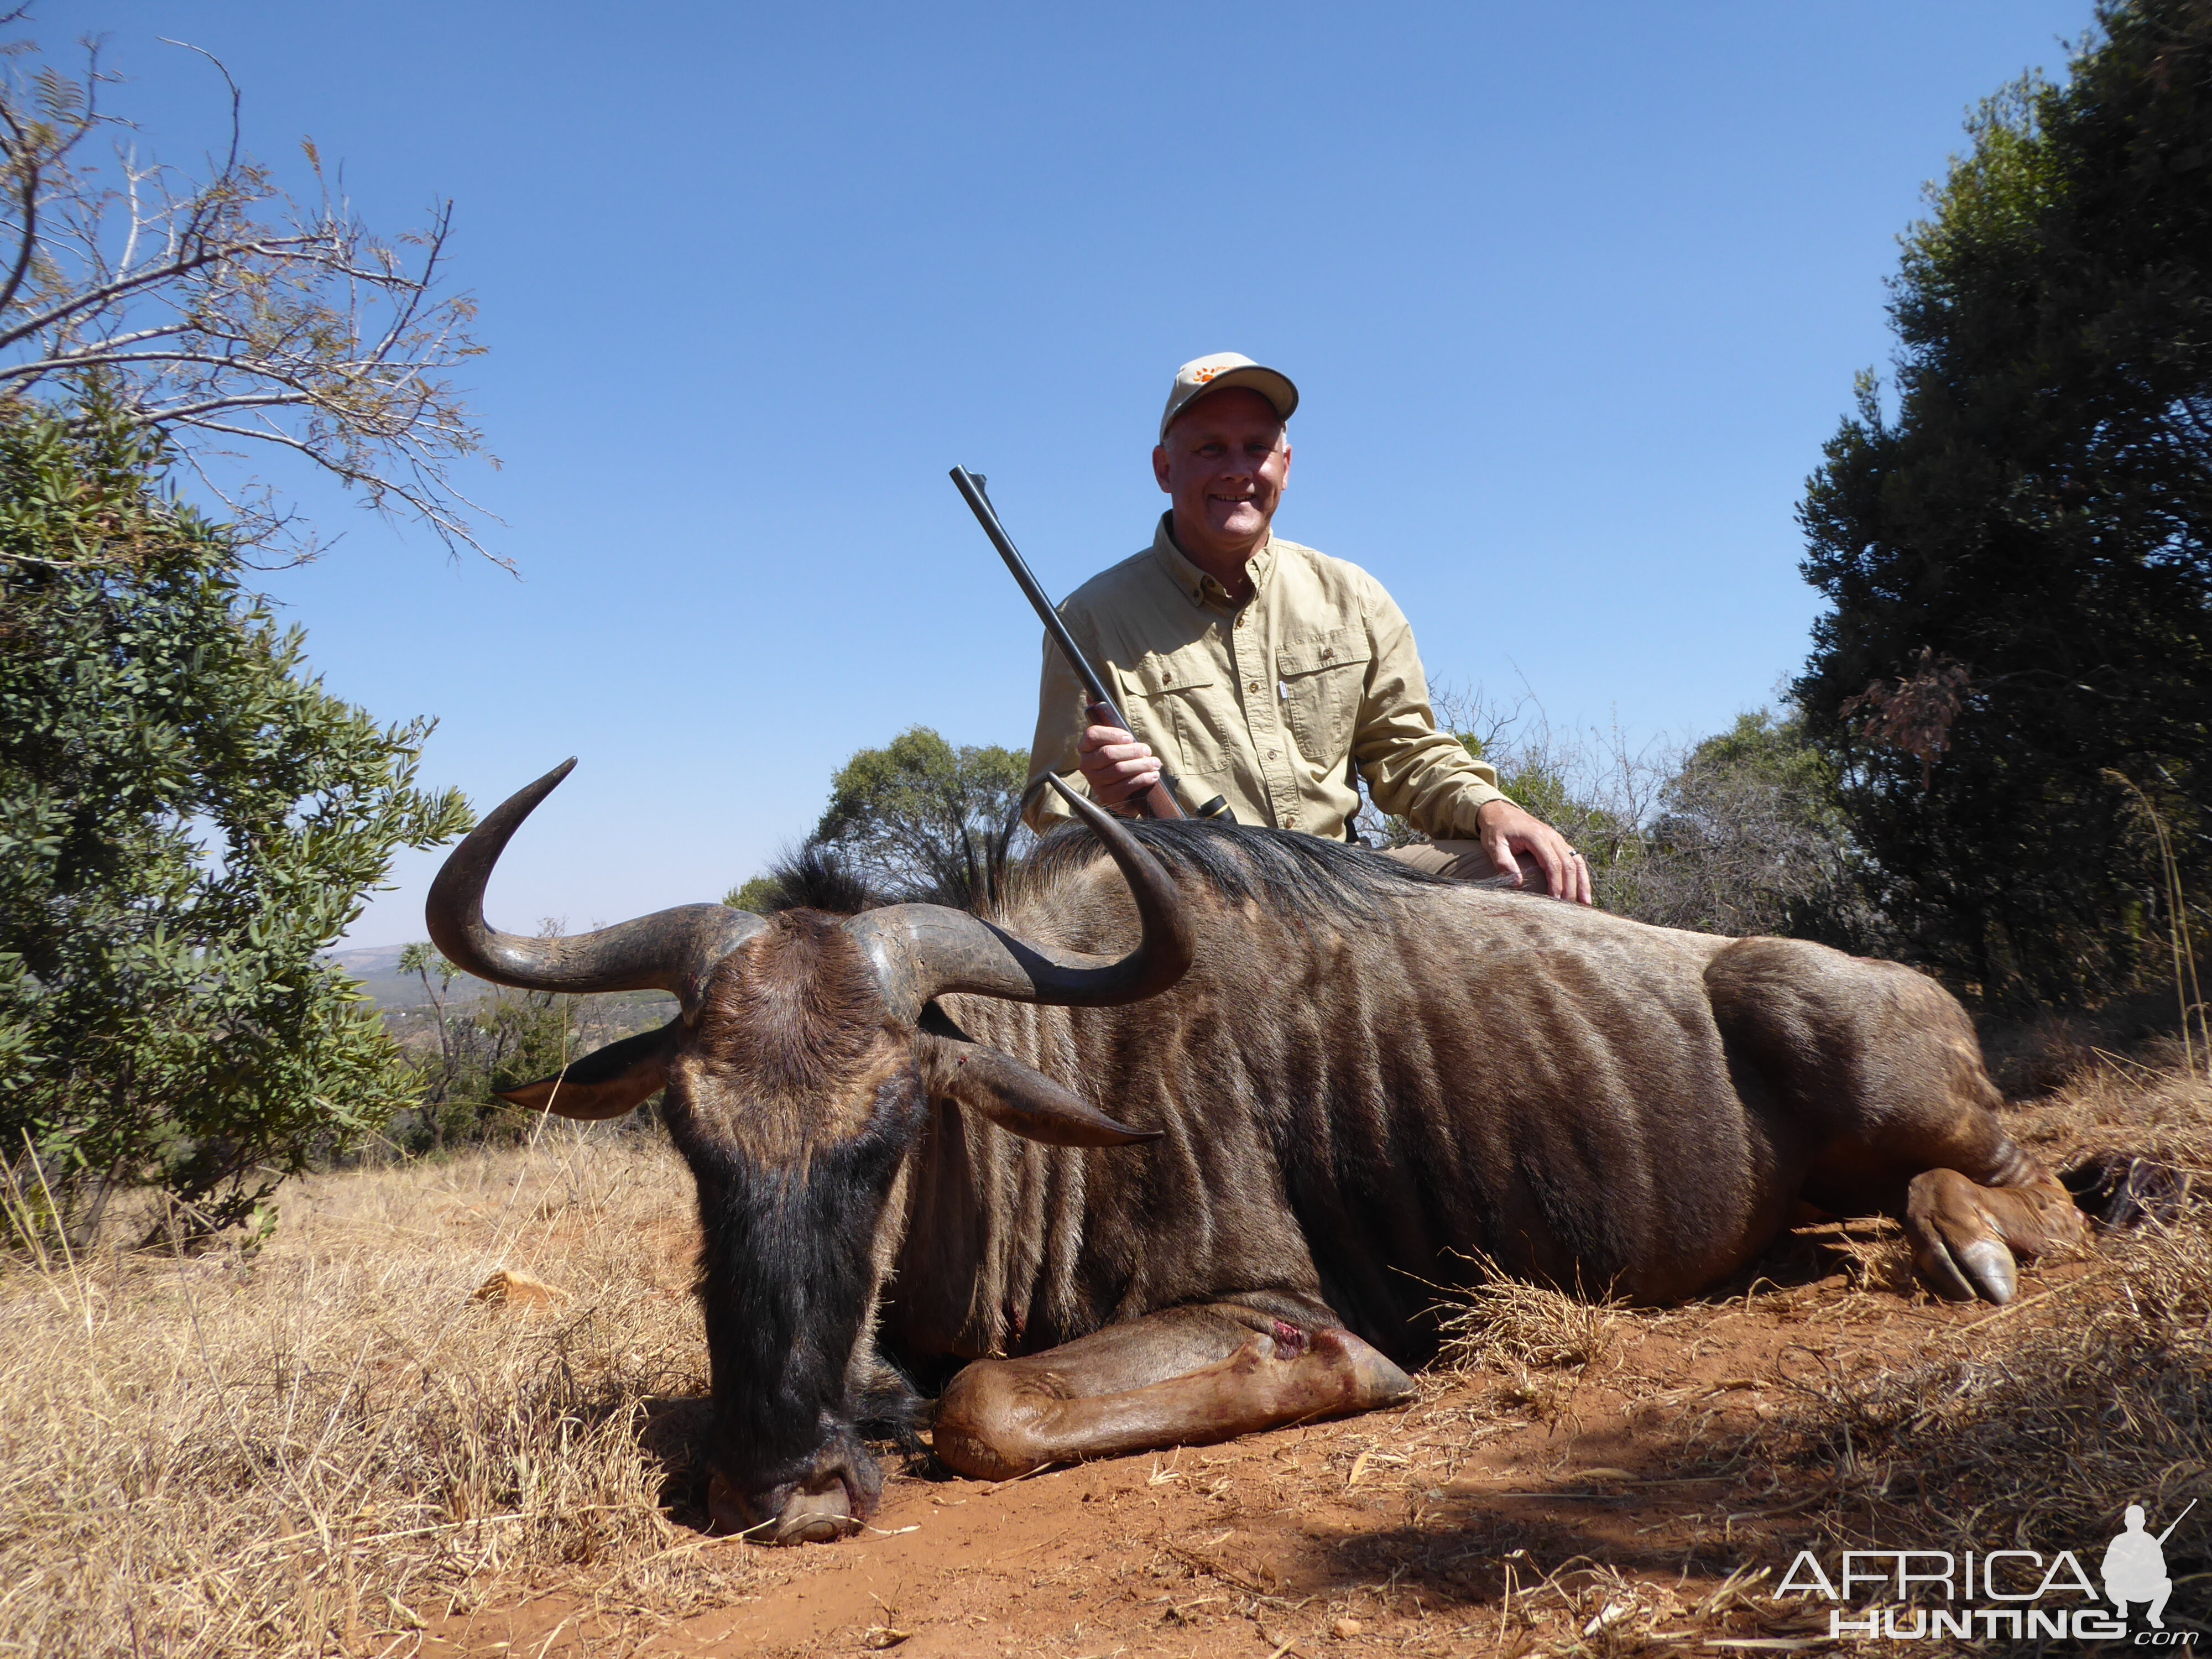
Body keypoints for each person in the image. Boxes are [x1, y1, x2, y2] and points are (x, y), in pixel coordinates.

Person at [1024, 351, 1592, 904]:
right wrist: (1107, 802)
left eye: (1256, 449)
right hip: (1192, 895)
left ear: (1285, 467)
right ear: (1164, 469)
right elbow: (1052, 803)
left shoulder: (1354, 597)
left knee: (1532, 875)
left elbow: (1409, 756)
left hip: (1346, 886)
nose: (1236, 470)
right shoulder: (1090, 619)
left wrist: (1493, 810)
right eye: (1209, 448)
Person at [2103, 1504, 2174, 1628]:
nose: (2134, 1521)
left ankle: (2154, 1615)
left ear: (2143, 1521)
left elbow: (2162, 1571)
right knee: (2108, 1584)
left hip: (2145, 1588)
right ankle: (2122, 1607)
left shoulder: (2150, 1541)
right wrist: (2124, 1569)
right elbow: (2106, 1570)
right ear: (2126, 1521)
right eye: (2131, 1518)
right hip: (2123, 1588)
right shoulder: (2119, 1541)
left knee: (2167, 1584)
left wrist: (2147, 1568)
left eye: (2138, 1518)